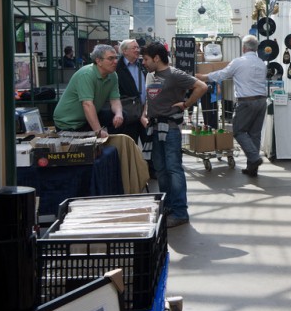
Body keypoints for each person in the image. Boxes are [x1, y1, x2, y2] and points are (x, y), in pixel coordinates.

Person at [141, 42, 207, 228]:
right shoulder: (150, 75)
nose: (144, 63)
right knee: (161, 169)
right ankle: (168, 206)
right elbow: (150, 98)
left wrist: (186, 104)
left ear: (156, 58)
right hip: (154, 129)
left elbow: (201, 86)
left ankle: (179, 211)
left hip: (169, 129)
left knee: (173, 169)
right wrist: (145, 113)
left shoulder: (175, 74)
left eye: (146, 59)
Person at [196, 35, 267, 176]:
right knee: (255, 134)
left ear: (243, 48)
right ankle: (252, 168)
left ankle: (254, 157)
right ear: (256, 48)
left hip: (246, 101)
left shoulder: (238, 62)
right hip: (262, 101)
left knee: (239, 131)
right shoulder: (261, 63)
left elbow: (222, 74)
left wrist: (203, 77)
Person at [53, 44, 123, 138]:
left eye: (116, 58)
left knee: (123, 117)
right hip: (68, 123)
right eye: (111, 58)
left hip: (85, 119)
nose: (115, 61)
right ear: (98, 61)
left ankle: (113, 145)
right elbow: (87, 104)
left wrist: (119, 114)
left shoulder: (113, 75)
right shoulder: (86, 74)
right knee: (99, 143)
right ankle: (104, 144)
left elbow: (115, 99)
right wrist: (98, 131)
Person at [114, 39, 148, 143]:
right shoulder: (117, 68)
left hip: (145, 111)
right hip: (129, 113)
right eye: (134, 48)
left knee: (148, 145)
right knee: (130, 145)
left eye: (138, 47)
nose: (137, 50)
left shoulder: (144, 65)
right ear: (125, 51)